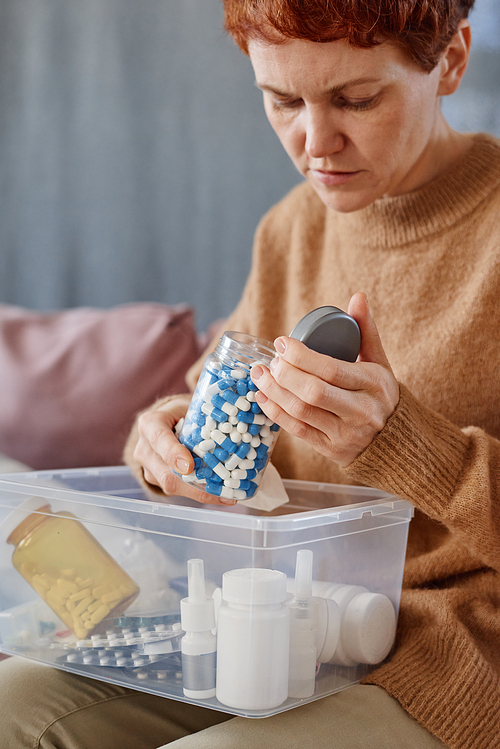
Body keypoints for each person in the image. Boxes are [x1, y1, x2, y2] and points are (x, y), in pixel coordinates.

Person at [1, 1, 499, 747]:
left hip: (448, 647)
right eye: (282, 100)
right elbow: (199, 405)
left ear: (453, 59)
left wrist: (404, 441)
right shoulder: (291, 228)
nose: (315, 142)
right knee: (16, 702)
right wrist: (160, 438)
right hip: (272, 622)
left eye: (357, 100)